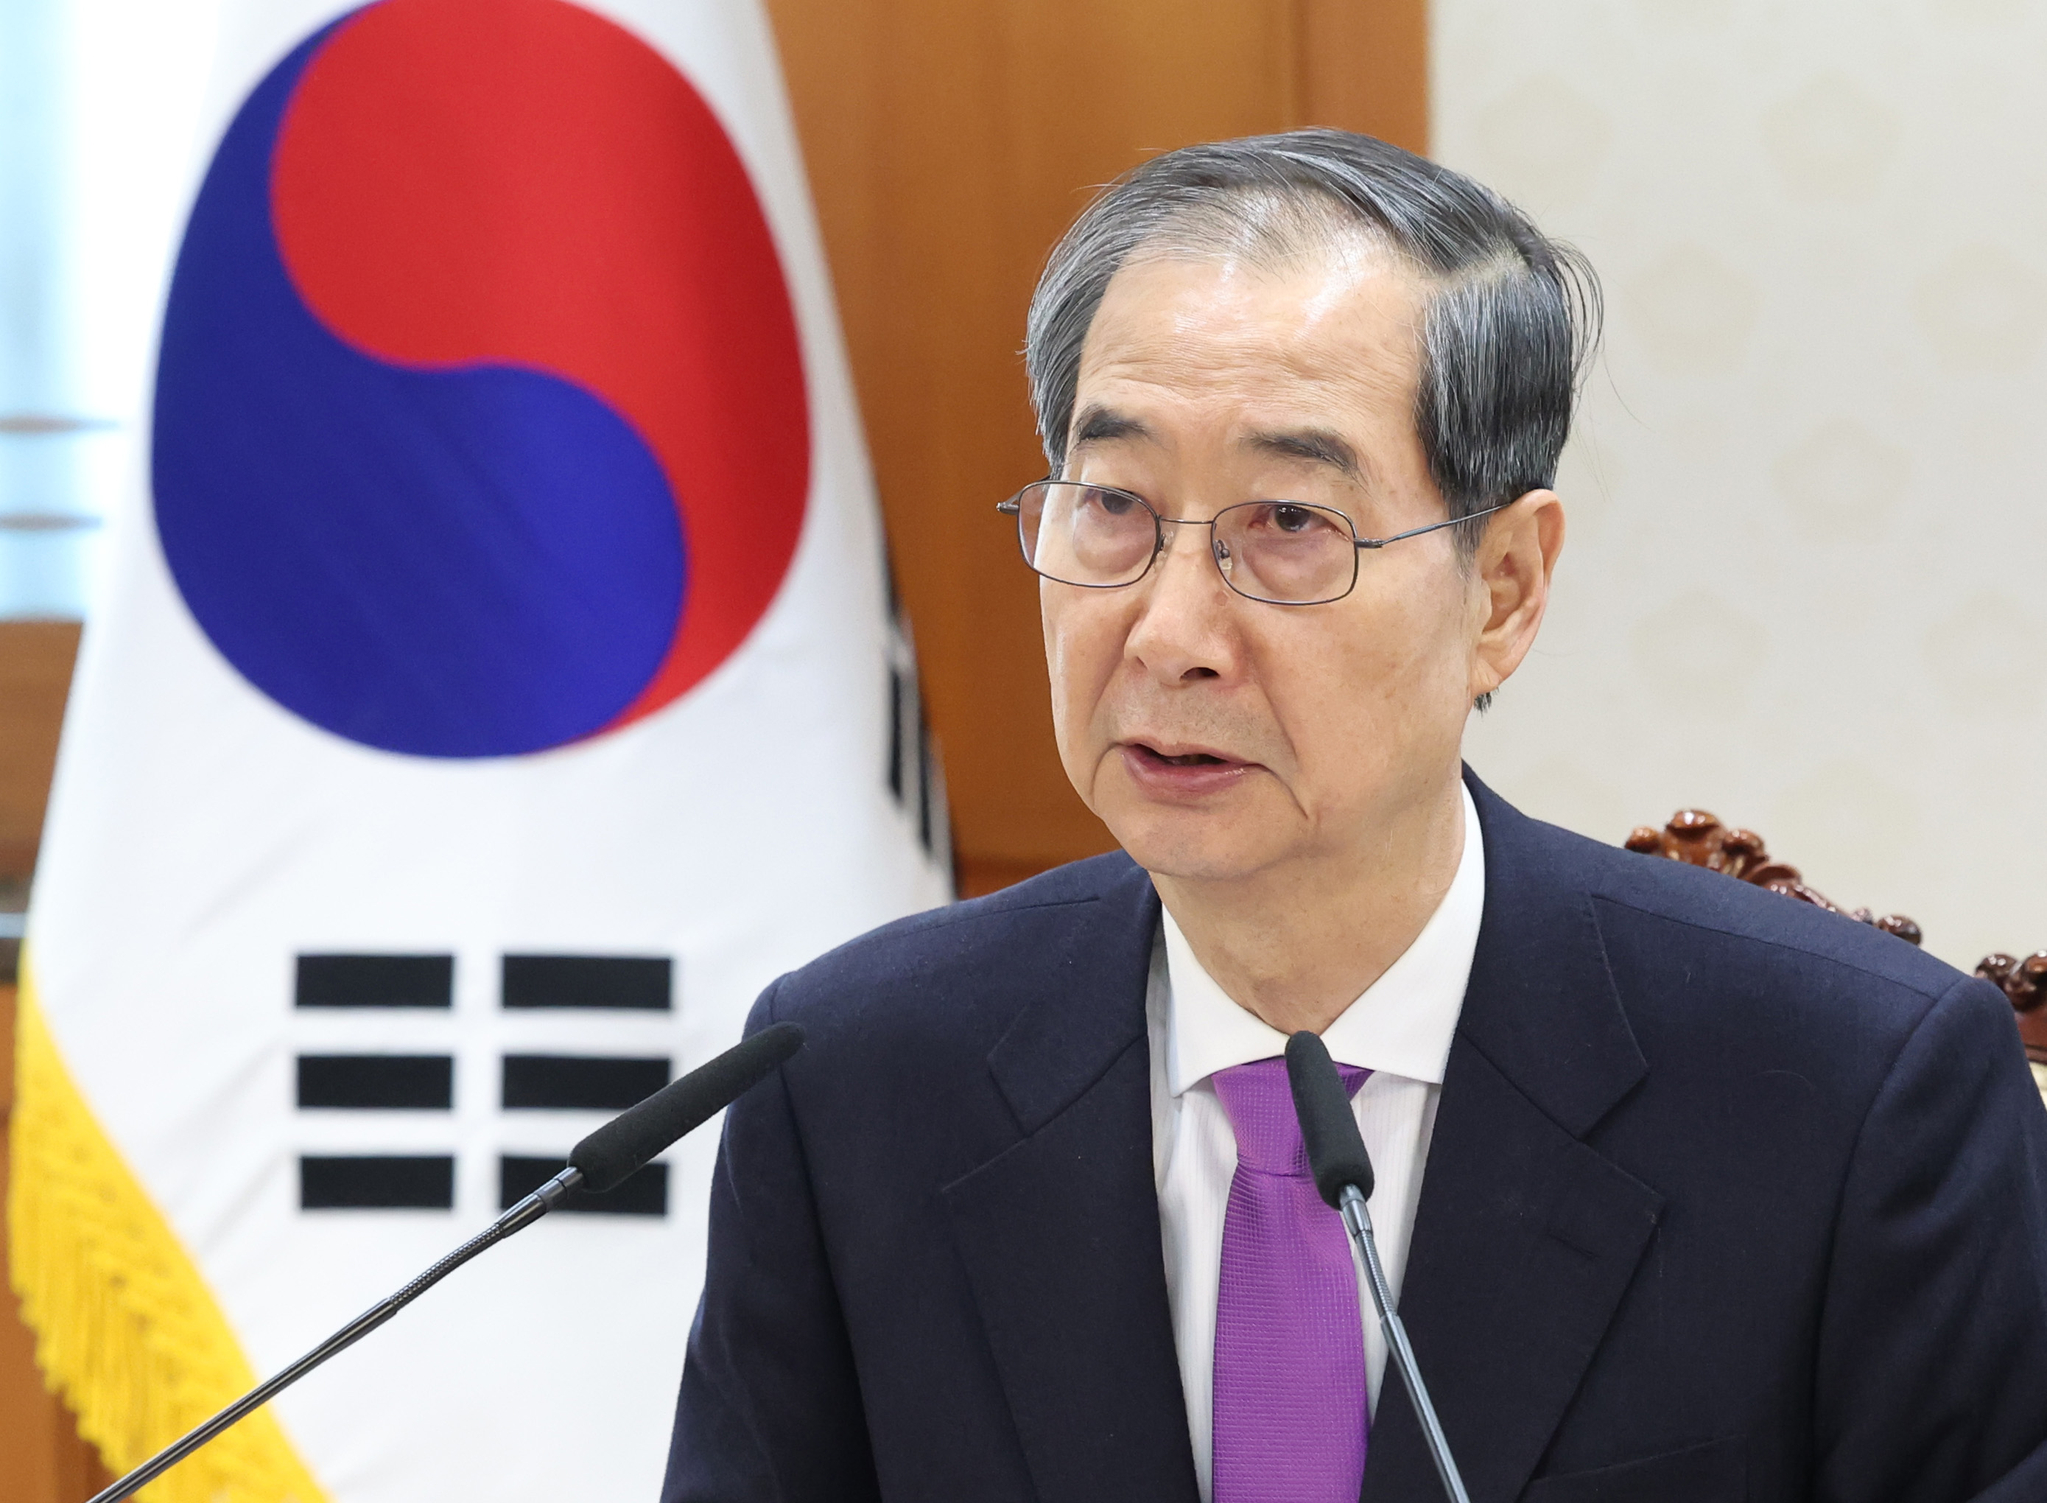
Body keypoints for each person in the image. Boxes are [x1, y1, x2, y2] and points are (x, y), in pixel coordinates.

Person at [660, 130, 2047, 1503]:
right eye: (1112, 504)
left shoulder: (1853, 1095)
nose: (1172, 633)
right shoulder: (854, 1083)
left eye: (1288, 522)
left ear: (1500, 589)